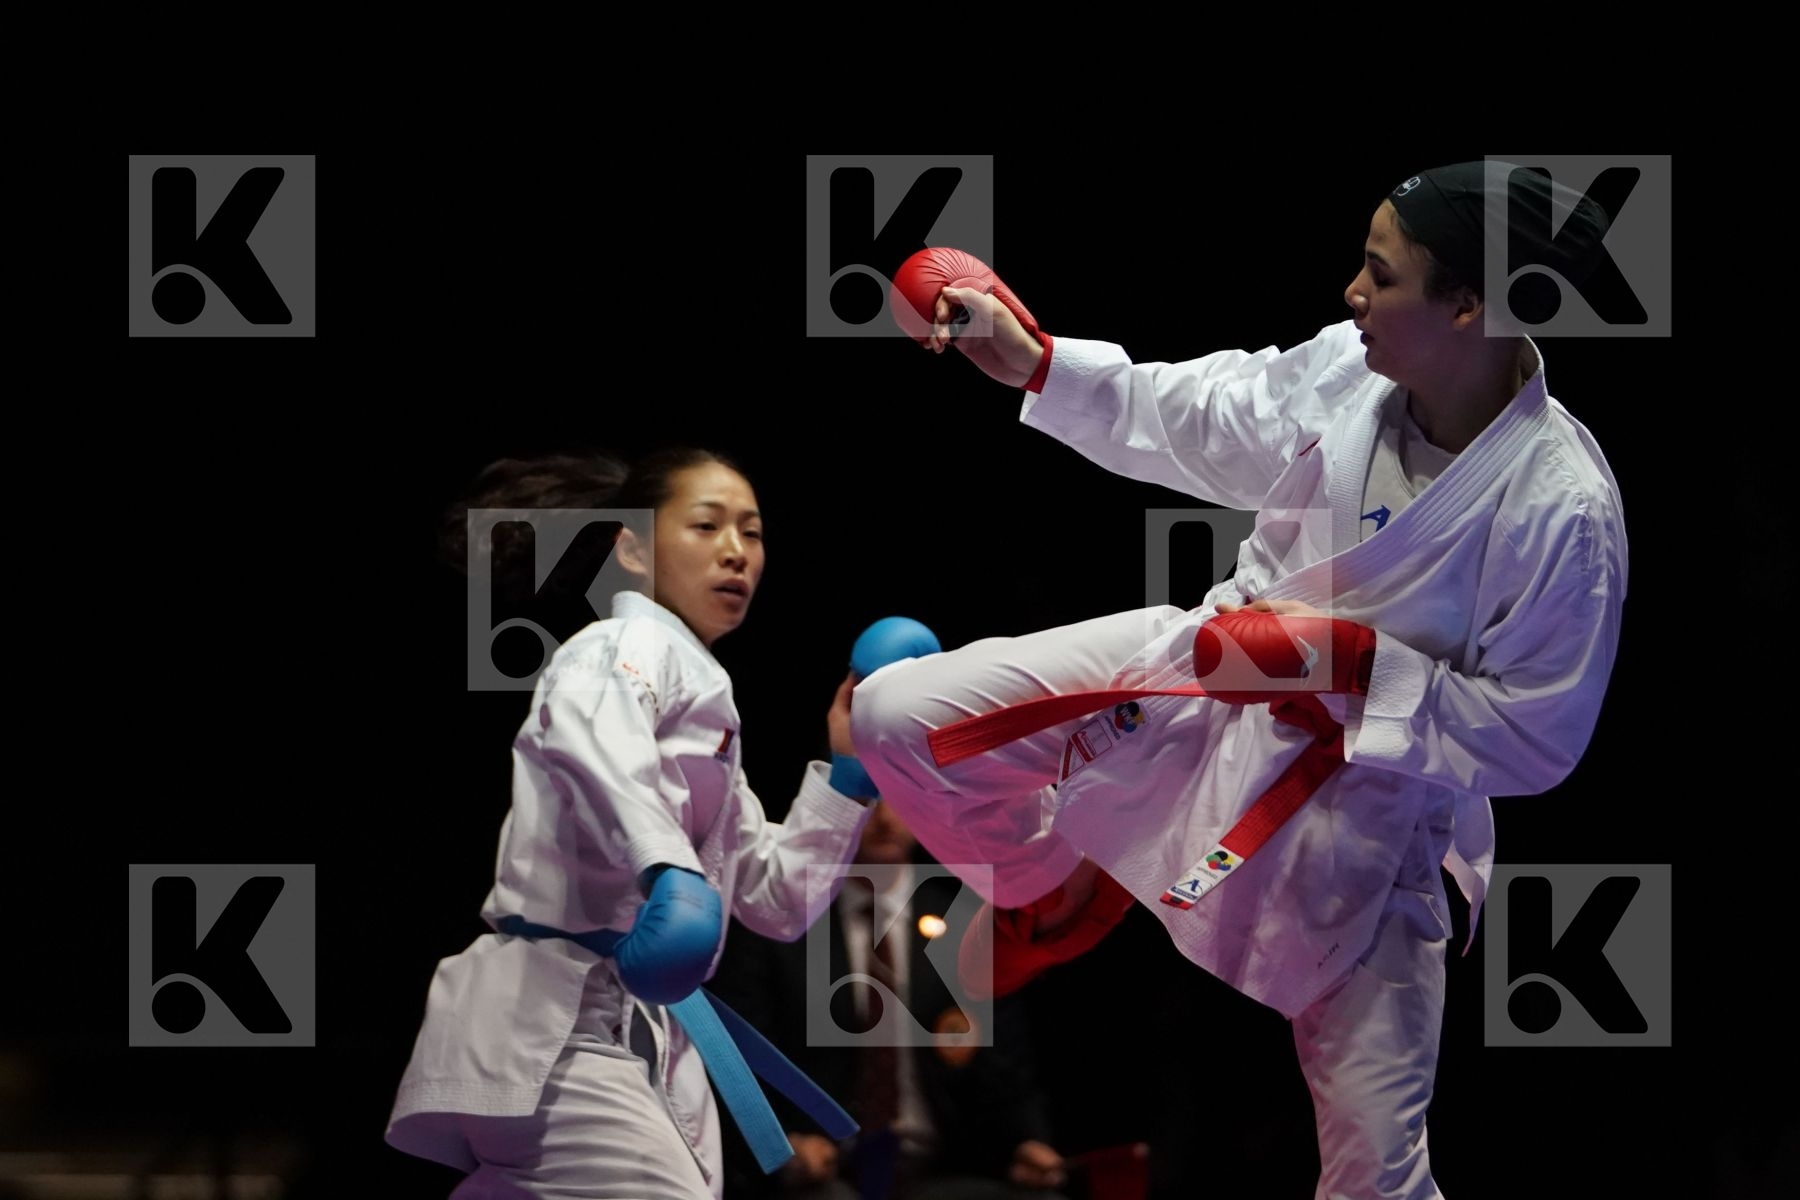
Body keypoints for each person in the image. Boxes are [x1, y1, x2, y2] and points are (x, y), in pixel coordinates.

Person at [851, 162, 1628, 1199]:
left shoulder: (1561, 509)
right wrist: (1038, 364)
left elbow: (1538, 736)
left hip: (1370, 830)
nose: (1352, 293)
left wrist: (1352, 668)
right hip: (1199, 695)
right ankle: (1047, 886)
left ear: (1468, 305)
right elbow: (1207, 414)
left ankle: (1085, 865)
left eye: (1379, 273)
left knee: (1376, 1179)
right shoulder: (1352, 375)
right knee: (894, 716)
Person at [384, 447, 887, 1199]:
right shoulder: (619, 646)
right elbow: (596, 742)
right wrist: (670, 871)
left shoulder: (708, 707)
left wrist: (849, 775)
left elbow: (778, 902)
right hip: (559, 1021)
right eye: (706, 525)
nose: (734, 552)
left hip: (641, 1032)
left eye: (751, 533)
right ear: (633, 546)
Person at [706, 794, 1071, 1200]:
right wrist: (785, 1143)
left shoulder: (962, 920)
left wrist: (1025, 1143)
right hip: (822, 1166)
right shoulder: (779, 922)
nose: (885, 818)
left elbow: (1004, 1064)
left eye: (900, 797)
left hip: (942, 1165)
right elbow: (742, 1058)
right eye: (867, 800)